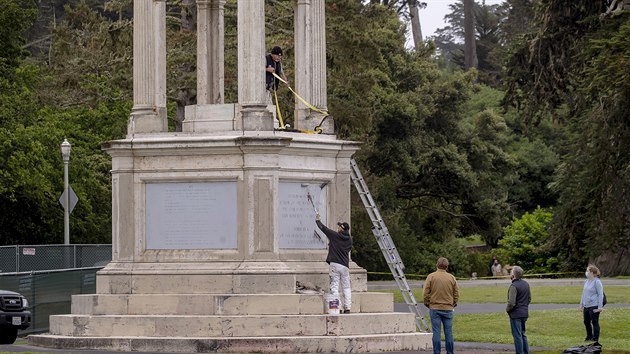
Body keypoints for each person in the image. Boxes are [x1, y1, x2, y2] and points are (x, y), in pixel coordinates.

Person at [315, 214, 353, 313]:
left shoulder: (335, 236)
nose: (338, 228)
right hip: (345, 265)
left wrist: (318, 221)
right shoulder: (350, 240)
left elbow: (324, 229)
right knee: (346, 287)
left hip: (335, 264)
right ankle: (347, 307)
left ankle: (338, 307)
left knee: (334, 286)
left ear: (342, 229)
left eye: (339, 226)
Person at [423, 257, 459, 354]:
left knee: (436, 333)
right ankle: (450, 352)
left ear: (437, 265)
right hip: (448, 308)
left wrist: (427, 303)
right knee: (449, 333)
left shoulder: (431, 276)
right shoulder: (451, 278)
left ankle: (437, 352)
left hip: (434, 308)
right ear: (447, 266)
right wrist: (453, 303)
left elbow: (426, 293)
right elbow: (456, 293)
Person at [506, 265, 531, 354]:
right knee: (523, 334)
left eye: (511, 272)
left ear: (513, 275)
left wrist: (507, 310)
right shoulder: (526, 284)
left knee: (517, 336)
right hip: (524, 313)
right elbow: (529, 299)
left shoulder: (513, 286)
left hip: (515, 314)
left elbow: (511, 303)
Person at [580, 264, 604, 343]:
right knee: (586, 322)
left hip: (594, 305)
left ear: (593, 273)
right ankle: (589, 336)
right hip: (586, 305)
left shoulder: (597, 282)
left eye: (588, 271)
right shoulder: (586, 281)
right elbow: (584, 293)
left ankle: (595, 338)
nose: (586, 272)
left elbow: (600, 294)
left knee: (594, 322)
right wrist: (581, 305)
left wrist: (600, 307)